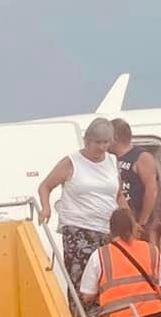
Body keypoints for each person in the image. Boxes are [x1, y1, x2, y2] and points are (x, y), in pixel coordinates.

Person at [79, 207, 161, 317]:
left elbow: (87, 296)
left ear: (110, 230)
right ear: (134, 227)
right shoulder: (152, 251)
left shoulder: (100, 255)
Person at [38, 118, 120, 289]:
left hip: (107, 228)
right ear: (86, 140)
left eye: (106, 142)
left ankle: (103, 316)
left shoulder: (112, 160)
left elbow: (118, 194)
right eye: (97, 142)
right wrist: (46, 208)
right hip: (78, 228)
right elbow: (45, 186)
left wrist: (128, 219)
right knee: (82, 280)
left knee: (107, 279)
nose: (102, 147)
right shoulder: (71, 161)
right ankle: (80, 314)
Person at [110, 119, 160, 232]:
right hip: (117, 221)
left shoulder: (141, 157)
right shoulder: (109, 159)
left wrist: (142, 222)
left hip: (137, 218)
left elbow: (151, 190)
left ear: (115, 138)